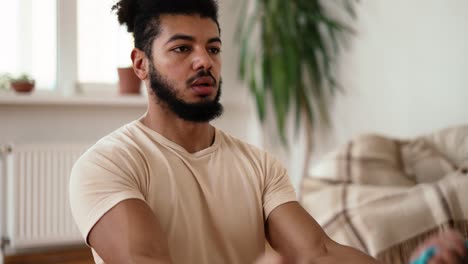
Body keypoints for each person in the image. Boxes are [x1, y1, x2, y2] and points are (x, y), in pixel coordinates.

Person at [69, 0, 467, 263]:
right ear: (140, 63)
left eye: (214, 47)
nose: (204, 61)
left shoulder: (258, 165)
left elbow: (318, 251)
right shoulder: (107, 166)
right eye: (182, 48)